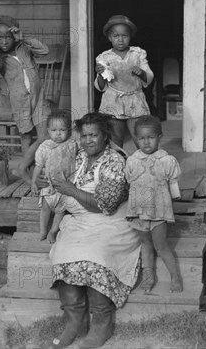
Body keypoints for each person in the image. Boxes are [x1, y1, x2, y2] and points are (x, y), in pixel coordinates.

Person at [48, 112, 141, 349]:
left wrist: (69, 189)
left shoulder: (115, 160)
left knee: (96, 254)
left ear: (105, 136)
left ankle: (102, 323)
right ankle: (74, 322)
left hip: (112, 221)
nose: (88, 140)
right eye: (84, 135)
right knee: (65, 251)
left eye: (94, 135)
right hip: (81, 220)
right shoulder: (78, 156)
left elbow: (105, 205)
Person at [125, 116, 183, 293]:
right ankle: (149, 276)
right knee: (146, 244)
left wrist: (174, 197)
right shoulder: (132, 161)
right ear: (136, 139)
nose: (146, 142)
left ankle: (175, 277)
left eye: (151, 137)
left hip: (158, 210)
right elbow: (129, 181)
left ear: (160, 137)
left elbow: (173, 182)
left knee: (161, 245)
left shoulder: (166, 160)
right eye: (141, 138)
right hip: (139, 210)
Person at [0, 15, 51, 156]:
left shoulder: (23, 48)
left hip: (38, 99)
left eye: (8, 37)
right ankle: (27, 170)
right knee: (26, 137)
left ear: (14, 36)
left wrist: (23, 38)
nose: (4, 41)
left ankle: (24, 167)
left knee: (44, 136)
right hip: (20, 103)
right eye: (0, 37)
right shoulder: (0, 58)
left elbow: (44, 50)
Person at [95, 15, 154, 149]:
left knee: (140, 136)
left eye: (124, 35)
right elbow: (101, 86)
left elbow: (149, 77)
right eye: (116, 36)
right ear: (109, 37)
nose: (120, 40)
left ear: (130, 36)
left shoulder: (138, 53)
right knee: (114, 140)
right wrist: (100, 74)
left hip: (135, 99)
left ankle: (142, 165)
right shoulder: (104, 57)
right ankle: (117, 167)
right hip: (113, 100)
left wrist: (142, 73)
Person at [31, 111, 78, 243]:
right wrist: (34, 182)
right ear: (48, 131)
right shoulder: (44, 147)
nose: (58, 134)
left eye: (62, 130)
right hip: (48, 184)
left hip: (66, 185)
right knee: (45, 208)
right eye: (54, 130)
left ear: (68, 131)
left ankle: (53, 232)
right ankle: (43, 230)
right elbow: (38, 166)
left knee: (60, 211)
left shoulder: (72, 145)